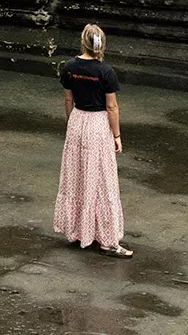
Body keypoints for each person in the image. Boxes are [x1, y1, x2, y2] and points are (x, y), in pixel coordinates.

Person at [54, 24, 132, 259]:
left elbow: (68, 100)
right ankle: (108, 241)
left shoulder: (69, 67)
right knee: (102, 180)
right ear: (101, 44)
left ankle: (79, 230)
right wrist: (116, 135)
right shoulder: (106, 72)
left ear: (83, 42)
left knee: (78, 177)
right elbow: (112, 107)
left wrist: (73, 123)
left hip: (77, 120)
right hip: (98, 124)